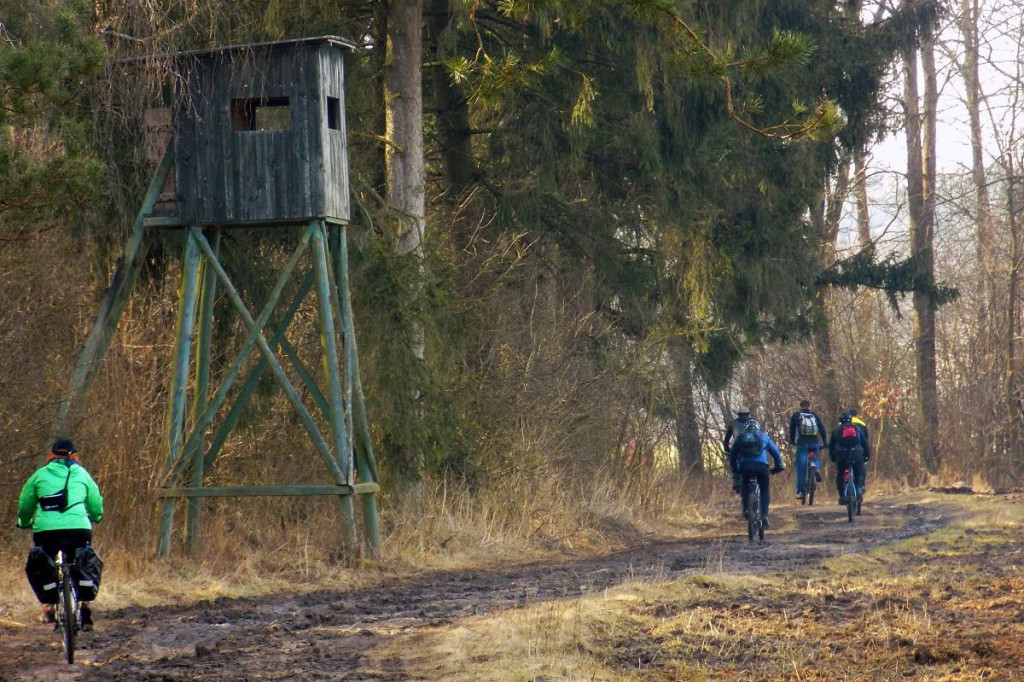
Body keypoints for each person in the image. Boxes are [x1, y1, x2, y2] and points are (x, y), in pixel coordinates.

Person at [17, 438, 104, 629]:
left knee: (44, 563)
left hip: (46, 532)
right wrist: (96, 516)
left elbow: (25, 504)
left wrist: (23, 521)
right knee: (81, 561)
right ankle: (84, 605)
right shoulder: (82, 474)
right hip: (79, 530)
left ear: (51, 456)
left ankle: (48, 606)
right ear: (74, 456)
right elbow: (95, 503)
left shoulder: (39, 475)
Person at [729, 420, 785, 527]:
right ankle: (764, 515)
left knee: (745, 485)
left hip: (745, 466)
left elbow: (732, 456)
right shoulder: (764, 436)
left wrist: (735, 471)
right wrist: (778, 466)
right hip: (761, 467)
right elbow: (776, 452)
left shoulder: (740, 437)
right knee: (764, 490)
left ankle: (746, 509)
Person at [788, 400, 827, 501]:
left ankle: (800, 491)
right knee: (815, 458)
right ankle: (816, 468)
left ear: (800, 407)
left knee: (801, 467)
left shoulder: (796, 415)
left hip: (802, 443)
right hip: (814, 442)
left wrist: (792, 441)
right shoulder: (814, 415)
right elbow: (821, 428)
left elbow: (792, 430)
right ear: (810, 406)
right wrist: (825, 441)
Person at [828, 413, 871, 504]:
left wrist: (832, 456)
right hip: (857, 453)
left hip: (841, 455)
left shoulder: (836, 430)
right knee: (859, 473)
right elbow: (865, 444)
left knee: (840, 474)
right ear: (851, 420)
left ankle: (842, 496)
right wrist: (867, 455)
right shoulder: (858, 429)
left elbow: (831, 446)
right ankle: (858, 490)